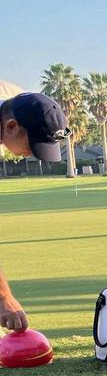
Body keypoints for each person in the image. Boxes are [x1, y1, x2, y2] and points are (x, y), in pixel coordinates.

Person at [0, 92, 69, 332]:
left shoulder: (9, 110)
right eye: (33, 144)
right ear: (11, 127)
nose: (32, 153)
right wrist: (4, 298)